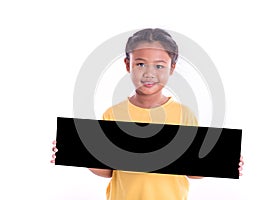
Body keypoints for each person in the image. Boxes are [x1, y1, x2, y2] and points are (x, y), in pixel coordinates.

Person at [51, 28, 244, 200]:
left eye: (159, 66)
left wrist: (223, 161)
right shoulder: (113, 114)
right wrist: (79, 154)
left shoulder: (184, 115)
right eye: (141, 64)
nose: (149, 73)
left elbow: (192, 172)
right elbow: (108, 171)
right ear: (128, 65)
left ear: (172, 68)